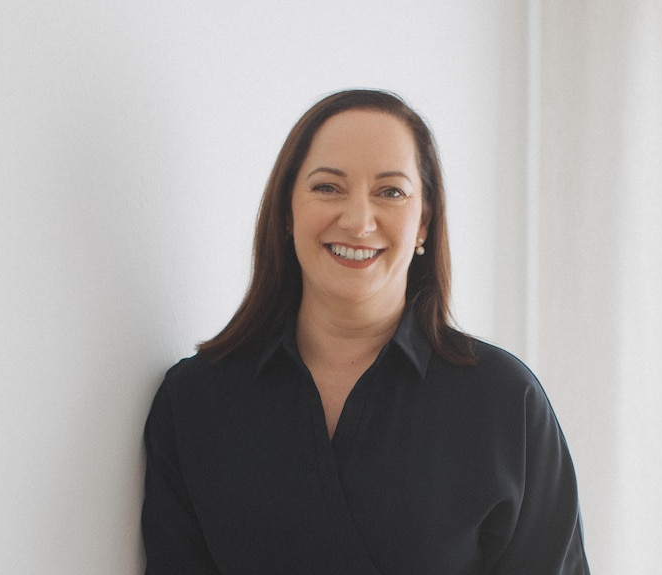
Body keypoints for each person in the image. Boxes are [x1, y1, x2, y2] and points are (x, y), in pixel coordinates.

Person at [142, 89, 590, 574]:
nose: (358, 221)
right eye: (328, 188)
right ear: (287, 212)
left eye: (390, 192)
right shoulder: (196, 399)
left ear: (423, 223)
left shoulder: (506, 402)